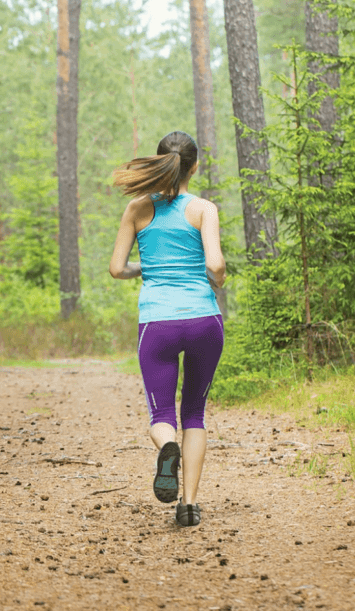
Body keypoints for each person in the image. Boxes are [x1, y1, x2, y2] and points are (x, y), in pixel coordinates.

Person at [108, 131, 226, 527]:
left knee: (162, 413)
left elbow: (117, 269)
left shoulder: (138, 209)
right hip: (202, 321)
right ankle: (188, 505)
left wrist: (150, 267)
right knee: (194, 412)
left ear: (161, 164)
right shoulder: (204, 209)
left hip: (157, 322)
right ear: (195, 166)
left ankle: (167, 446)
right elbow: (216, 267)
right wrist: (216, 280)